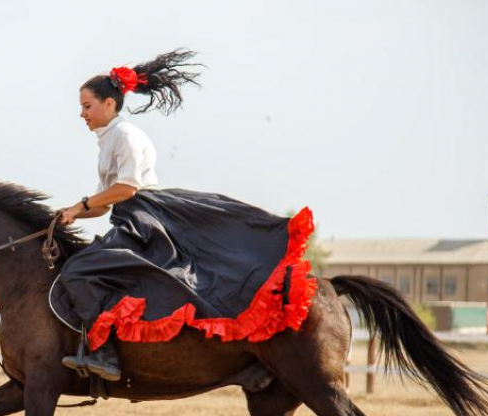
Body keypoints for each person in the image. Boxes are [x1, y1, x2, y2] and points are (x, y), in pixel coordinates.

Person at [56, 49, 316, 382]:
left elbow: (127, 188)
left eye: (87, 106)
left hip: (144, 217)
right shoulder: (107, 140)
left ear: (109, 104)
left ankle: (104, 352)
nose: (81, 114)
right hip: (129, 215)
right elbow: (107, 203)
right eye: (81, 107)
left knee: (79, 269)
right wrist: (69, 214)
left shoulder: (125, 135)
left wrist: (79, 205)